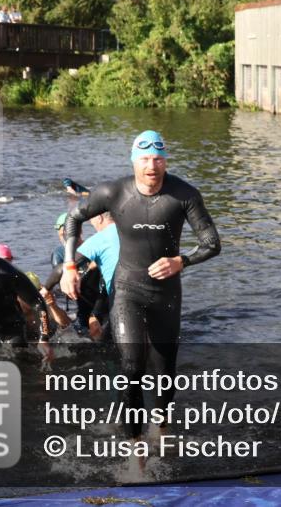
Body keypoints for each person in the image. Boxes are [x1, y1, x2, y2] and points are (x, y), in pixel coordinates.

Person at [60, 130, 221, 440]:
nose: (152, 166)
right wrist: (69, 266)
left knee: (164, 375)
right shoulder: (113, 192)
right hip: (127, 289)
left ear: (165, 161)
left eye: (158, 159)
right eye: (145, 159)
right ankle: (136, 451)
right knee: (132, 367)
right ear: (134, 162)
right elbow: (73, 218)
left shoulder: (184, 194)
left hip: (166, 294)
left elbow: (212, 243)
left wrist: (182, 261)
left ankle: (159, 428)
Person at [76, 211, 120, 339]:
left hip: (114, 298)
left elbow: (107, 283)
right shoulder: (129, 231)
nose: (91, 223)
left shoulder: (99, 240)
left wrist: (95, 313)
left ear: (100, 218)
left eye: (92, 220)